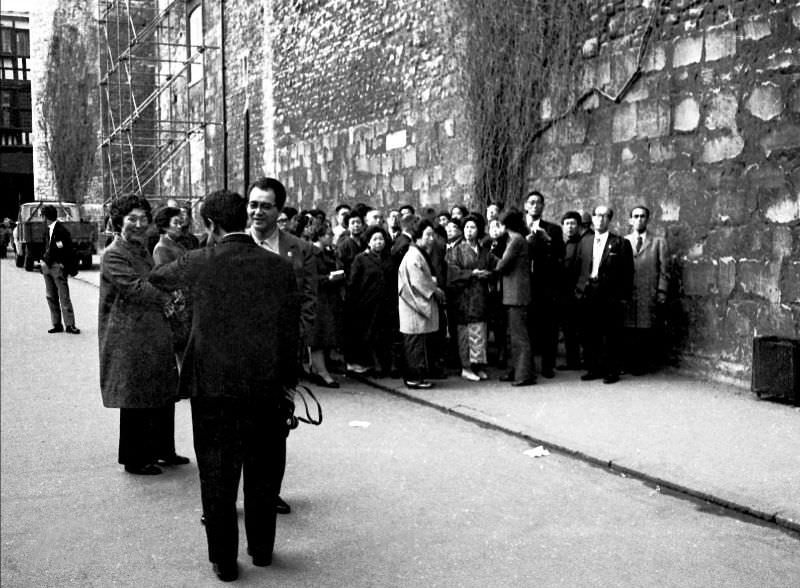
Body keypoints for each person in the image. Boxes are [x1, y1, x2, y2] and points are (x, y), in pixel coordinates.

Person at [149, 189, 300, 582]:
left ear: (211, 226)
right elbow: (290, 333)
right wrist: (288, 382)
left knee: (217, 475)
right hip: (266, 387)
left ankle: (225, 561)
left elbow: (157, 279)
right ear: (244, 219)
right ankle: (262, 550)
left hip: (213, 388)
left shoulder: (200, 261)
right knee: (264, 472)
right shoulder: (278, 267)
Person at [99, 195, 189, 476]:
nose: (139, 224)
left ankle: (164, 449)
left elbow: (156, 279)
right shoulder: (114, 253)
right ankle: (135, 458)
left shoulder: (141, 249)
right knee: (136, 398)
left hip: (153, 332)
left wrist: (175, 291)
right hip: (128, 337)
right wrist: (167, 298)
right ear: (119, 222)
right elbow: (135, 288)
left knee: (162, 391)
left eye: (143, 219)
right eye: (131, 219)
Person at [247, 176, 316, 516]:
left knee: (275, 429)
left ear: (279, 210)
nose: (257, 212)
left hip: (279, 357)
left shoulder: (298, 249)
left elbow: (308, 302)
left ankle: (269, 492)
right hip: (238, 357)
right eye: (253, 204)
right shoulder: (228, 244)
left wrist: (294, 341)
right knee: (234, 430)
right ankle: (226, 499)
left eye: (265, 206)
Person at [575, 205, 634, 384]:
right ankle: (594, 368)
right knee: (590, 332)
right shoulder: (584, 242)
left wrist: (623, 297)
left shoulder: (620, 243)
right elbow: (578, 267)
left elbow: (627, 272)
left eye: (605, 216)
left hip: (610, 294)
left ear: (610, 220)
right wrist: (578, 289)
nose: (600, 219)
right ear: (592, 219)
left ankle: (611, 370)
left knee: (611, 333)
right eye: (597, 216)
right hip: (588, 292)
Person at [446, 215, 496, 381]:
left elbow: (495, 266)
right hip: (463, 298)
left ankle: (478, 365)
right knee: (465, 334)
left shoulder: (484, 251)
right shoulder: (456, 251)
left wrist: (487, 274)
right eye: (466, 227)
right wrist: (471, 274)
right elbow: (452, 273)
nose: (469, 231)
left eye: (472, 227)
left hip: (480, 296)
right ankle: (466, 367)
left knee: (480, 332)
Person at [397, 217, 446, 389]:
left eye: (432, 235)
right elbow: (418, 282)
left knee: (417, 342)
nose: (431, 239)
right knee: (415, 343)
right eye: (428, 235)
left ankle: (418, 376)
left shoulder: (417, 254)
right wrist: (435, 290)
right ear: (418, 237)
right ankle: (414, 378)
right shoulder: (413, 256)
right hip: (413, 304)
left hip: (415, 304)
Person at [524, 190, 564, 379]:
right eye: (531, 202)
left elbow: (560, 255)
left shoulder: (553, 229)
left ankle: (548, 366)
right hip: (524, 285)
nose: (535, 206)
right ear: (526, 206)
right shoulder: (517, 229)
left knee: (549, 327)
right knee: (527, 328)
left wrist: (547, 240)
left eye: (539, 203)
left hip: (546, 286)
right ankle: (527, 365)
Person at [624, 205, 668, 375]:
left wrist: (661, 291)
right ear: (630, 220)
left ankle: (644, 364)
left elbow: (665, 270)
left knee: (646, 327)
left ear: (647, 220)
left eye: (642, 216)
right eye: (635, 216)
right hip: (630, 291)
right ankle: (629, 363)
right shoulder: (624, 241)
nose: (639, 219)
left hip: (648, 291)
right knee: (629, 327)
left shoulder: (658, 242)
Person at [345, 225, 394, 376]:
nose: (379, 242)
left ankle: (389, 365)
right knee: (370, 335)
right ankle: (375, 364)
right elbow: (353, 283)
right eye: (375, 239)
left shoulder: (388, 259)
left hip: (386, 303)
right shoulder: (361, 259)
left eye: (381, 239)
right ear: (368, 241)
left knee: (386, 335)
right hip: (367, 304)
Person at [494, 210, 535, 386]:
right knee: (516, 336)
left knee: (519, 337)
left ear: (505, 225)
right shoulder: (516, 239)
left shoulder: (516, 240)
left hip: (517, 294)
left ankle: (524, 374)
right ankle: (518, 370)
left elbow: (503, 264)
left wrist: (491, 261)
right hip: (515, 293)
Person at [308, 223, 344, 387]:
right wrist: (329, 278)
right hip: (318, 299)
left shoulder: (326, 252)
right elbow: (311, 278)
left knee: (324, 335)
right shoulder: (312, 254)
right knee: (318, 336)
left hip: (327, 298)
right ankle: (321, 372)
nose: (331, 237)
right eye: (329, 235)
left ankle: (318, 370)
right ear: (320, 236)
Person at [40, 205, 80, 334]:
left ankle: (70, 325)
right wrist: (42, 261)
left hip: (57, 266)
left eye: (42, 216)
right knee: (51, 296)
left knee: (63, 296)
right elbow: (44, 246)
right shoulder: (47, 230)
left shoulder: (61, 231)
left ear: (46, 217)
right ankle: (57, 324)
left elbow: (67, 250)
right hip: (47, 266)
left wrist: (64, 264)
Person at [558, 211, 585, 370]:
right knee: (567, 329)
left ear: (579, 226)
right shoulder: (561, 243)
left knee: (575, 328)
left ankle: (577, 360)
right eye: (567, 223)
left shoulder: (581, 244)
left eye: (573, 223)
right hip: (562, 293)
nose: (570, 227)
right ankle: (571, 361)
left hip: (575, 292)